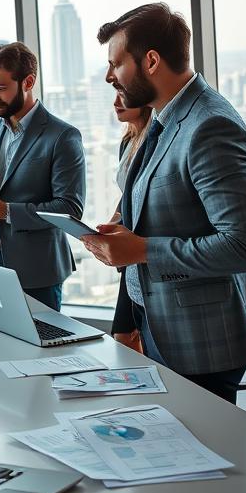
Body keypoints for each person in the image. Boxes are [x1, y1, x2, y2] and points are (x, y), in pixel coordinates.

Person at [80, 3, 246, 404]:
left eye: (116, 64)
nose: (108, 76)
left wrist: (142, 249)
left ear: (150, 61)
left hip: (204, 337)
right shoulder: (164, 117)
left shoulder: (210, 126)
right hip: (162, 320)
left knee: (207, 455)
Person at [0, 42, 85, 311]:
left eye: (0, 87)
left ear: (28, 82)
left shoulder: (63, 136)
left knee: (40, 349)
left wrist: (7, 211)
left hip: (38, 270)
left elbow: (69, 209)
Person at [110, 92, 152, 353]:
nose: (115, 102)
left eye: (123, 95)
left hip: (141, 247)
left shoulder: (154, 141)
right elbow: (128, 195)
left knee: (126, 333)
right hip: (129, 252)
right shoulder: (128, 142)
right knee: (123, 334)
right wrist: (114, 220)